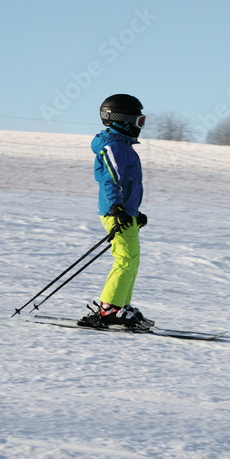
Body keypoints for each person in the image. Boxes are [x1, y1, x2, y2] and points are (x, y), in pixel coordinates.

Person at [78, 94, 152, 329]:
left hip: (123, 211)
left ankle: (120, 305)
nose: (140, 126)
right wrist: (116, 207)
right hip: (115, 211)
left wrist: (132, 211)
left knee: (132, 259)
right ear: (123, 120)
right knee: (124, 258)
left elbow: (126, 183)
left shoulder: (122, 146)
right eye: (139, 121)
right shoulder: (115, 147)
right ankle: (109, 308)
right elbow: (109, 179)